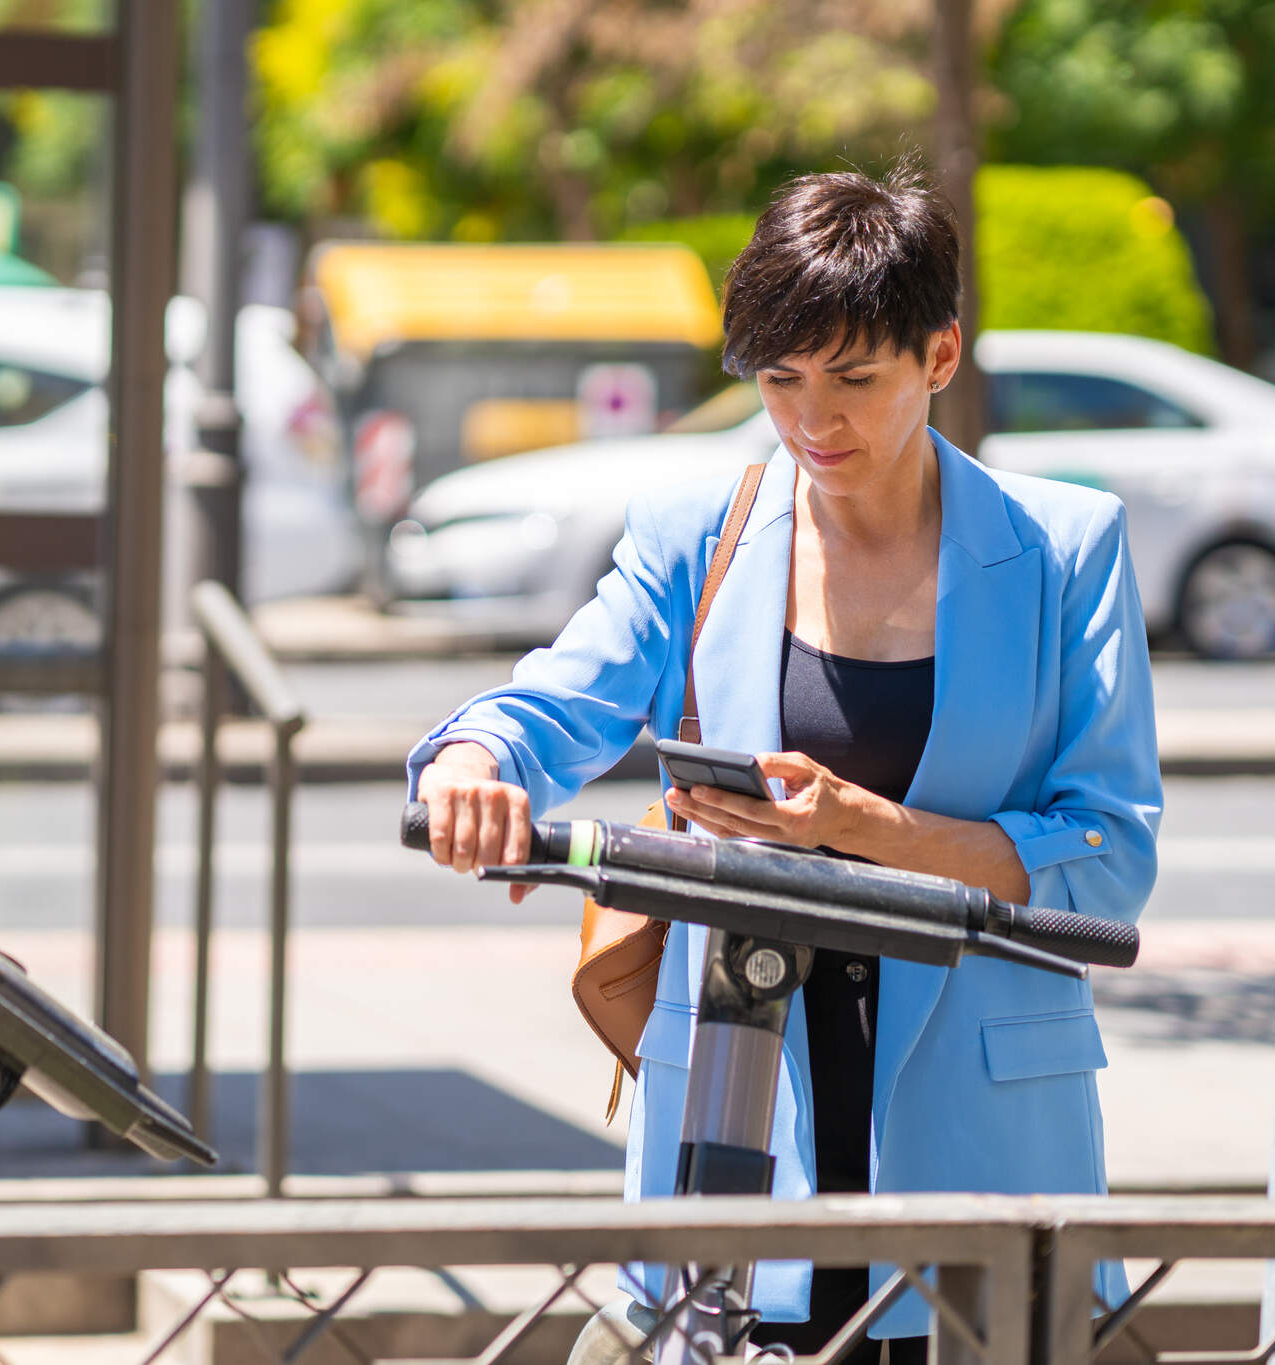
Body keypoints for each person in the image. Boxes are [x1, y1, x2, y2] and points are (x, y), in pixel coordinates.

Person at [407, 165, 1161, 1359]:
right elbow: (555, 700)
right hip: (738, 1095)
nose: (815, 421)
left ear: (940, 357)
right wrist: (474, 761)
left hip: (983, 1129)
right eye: (779, 381)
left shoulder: (1065, 547)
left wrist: (865, 831)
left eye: (854, 378)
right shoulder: (691, 534)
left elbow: (1109, 858)